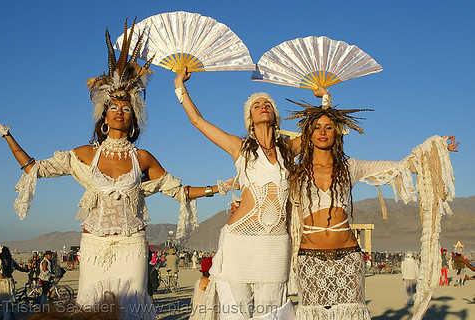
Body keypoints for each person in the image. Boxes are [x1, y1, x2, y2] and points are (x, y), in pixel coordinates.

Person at [0, 20, 221, 320]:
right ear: (104, 114)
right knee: (92, 310)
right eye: (114, 107)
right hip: (93, 245)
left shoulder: (143, 158)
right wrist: (4, 133)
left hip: (132, 245)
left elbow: (178, 191)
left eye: (126, 108)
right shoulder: (84, 154)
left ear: (134, 120)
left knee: (131, 309)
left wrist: (220, 187)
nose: (120, 111)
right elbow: (33, 168)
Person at [287, 88, 458, 319]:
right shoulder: (294, 171)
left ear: (337, 133)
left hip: (349, 257)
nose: (323, 132)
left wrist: (435, 151)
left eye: (329, 127)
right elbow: (260, 170)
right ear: (307, 133)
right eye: (316, 127)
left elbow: (398, 168)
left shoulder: (350, 167)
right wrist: (325, 103)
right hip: (309, 258)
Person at [174, 67, 298, 319]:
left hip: (275, 243)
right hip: (239, 239)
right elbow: (198, 121)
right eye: (256, 105)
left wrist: (324, 99)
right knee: (236, 313)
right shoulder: (239, 148)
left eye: (268, 104)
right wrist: (180, 86)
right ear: (249, 118)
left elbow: (322, 131)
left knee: (272, 312)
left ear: (275, 115)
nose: (263, 106)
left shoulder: (288, 149)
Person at [0, 246, 27, 320]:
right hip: (8, 283)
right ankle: (6, 318)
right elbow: (18, 268)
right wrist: (25, 270)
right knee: (7, 304)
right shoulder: (11, 260)